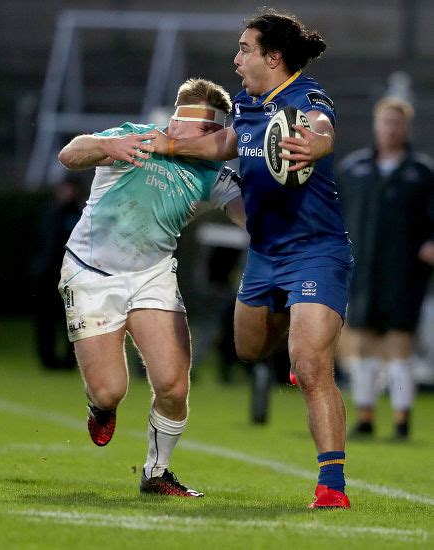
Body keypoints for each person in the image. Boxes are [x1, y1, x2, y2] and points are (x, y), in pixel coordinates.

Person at [149, 8, 353, 508]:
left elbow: (322, 127)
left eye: (244, 48)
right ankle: (300, 346)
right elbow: (227, 142)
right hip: (264, 252)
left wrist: (318, 145)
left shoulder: (304, 96)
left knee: (311, 368)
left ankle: (332, 487)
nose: (236, 58)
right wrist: (171, 144)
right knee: (247, 349)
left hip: (315, 252)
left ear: (274, 56)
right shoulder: (248, 101)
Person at [57, 78, 245, 497]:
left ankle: (156, 473)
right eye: (184, 123)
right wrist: (108, 148)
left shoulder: (211, 174)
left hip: (151, 274)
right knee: (110, 390)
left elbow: (248, 214)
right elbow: (70, 153)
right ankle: (99, 406)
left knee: (174, 384)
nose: (181, 130)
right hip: (91, 272)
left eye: (207, 133)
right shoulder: (134, 137)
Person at [337, 96, 434, 440]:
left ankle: (401, 420)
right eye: (385, 122)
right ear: (376, 125)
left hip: (404, 274)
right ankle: (364, 417)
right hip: (362, 271)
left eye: (397, 123)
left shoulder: (422, 173)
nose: (390, 129)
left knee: (399, 344)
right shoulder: (354, 169)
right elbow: (337, 216)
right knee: (360, 343)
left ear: (405, 127)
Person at [32, 175, 83, 369]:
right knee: (45, 319)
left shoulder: (80, 214)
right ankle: (48, 359)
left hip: (71, 276)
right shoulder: (49, 213)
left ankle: (71, 360)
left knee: (71, 319)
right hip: (47, 275)